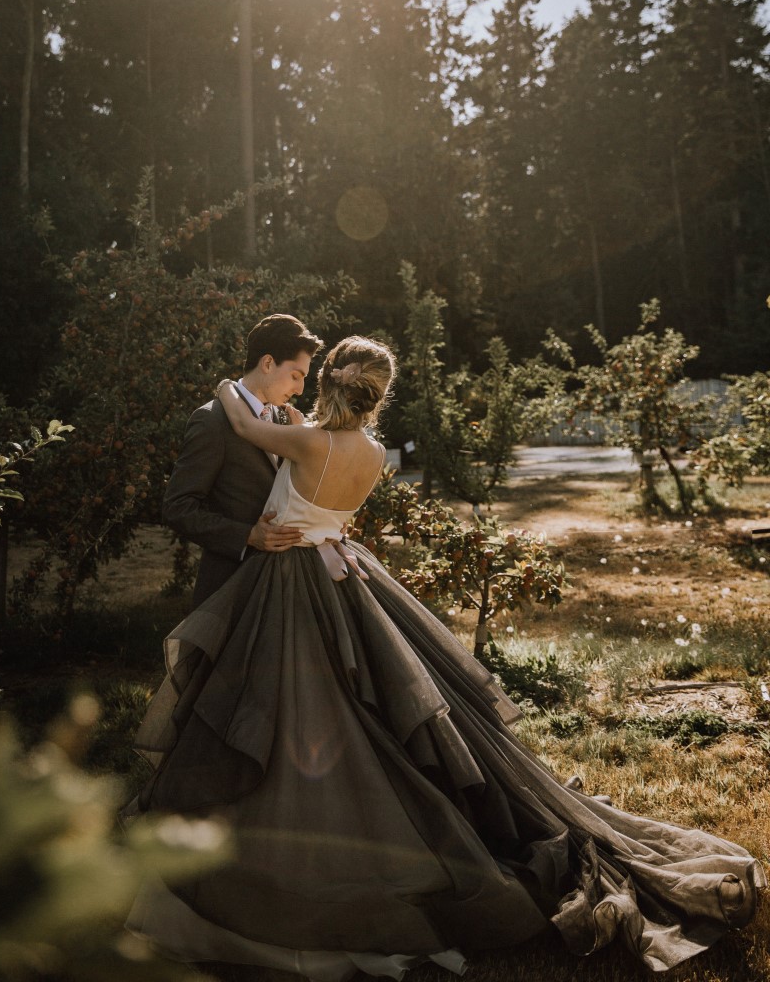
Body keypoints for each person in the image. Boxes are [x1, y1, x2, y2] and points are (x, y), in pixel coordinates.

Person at [127, 336, 765, 979]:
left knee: (299, 710)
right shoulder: (369, 451)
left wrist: (221, 392)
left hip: (294, 582)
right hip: (343, 570)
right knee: (370, 701)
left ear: (327, 382)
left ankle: (296, 839)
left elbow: (242, 421)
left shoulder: (303, 440)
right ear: (375, 393)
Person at [163, 313, 323, 606]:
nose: (300, 389)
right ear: (267, 363)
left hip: (284, 591)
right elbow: (178, 507)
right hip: (229, 588)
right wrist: (247, 535)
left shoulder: (286, 421)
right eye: (296, 376)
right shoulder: (211, 420)